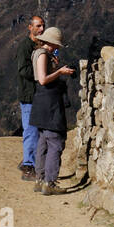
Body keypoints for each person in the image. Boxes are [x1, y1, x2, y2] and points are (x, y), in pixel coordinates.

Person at [29, 27, 74, 195]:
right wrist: (60, 71)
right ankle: (49, 182)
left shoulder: (40, 54)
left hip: (41, 102)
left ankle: (40, 179)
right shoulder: (42, 55)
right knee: (55, 142)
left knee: (43, 142)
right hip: (49, 103)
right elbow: (42, 79)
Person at [16, 14, 45, 179]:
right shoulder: (25, 47)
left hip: (36, 95)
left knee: (36, 130)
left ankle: (29, 161)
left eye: (42, 26)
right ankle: (28, 166)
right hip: (28, 95)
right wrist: (41, 72)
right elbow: (23, 70)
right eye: (38, 26)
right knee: (31, 130)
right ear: (30, 27)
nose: (41, 29)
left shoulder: (37, 45)